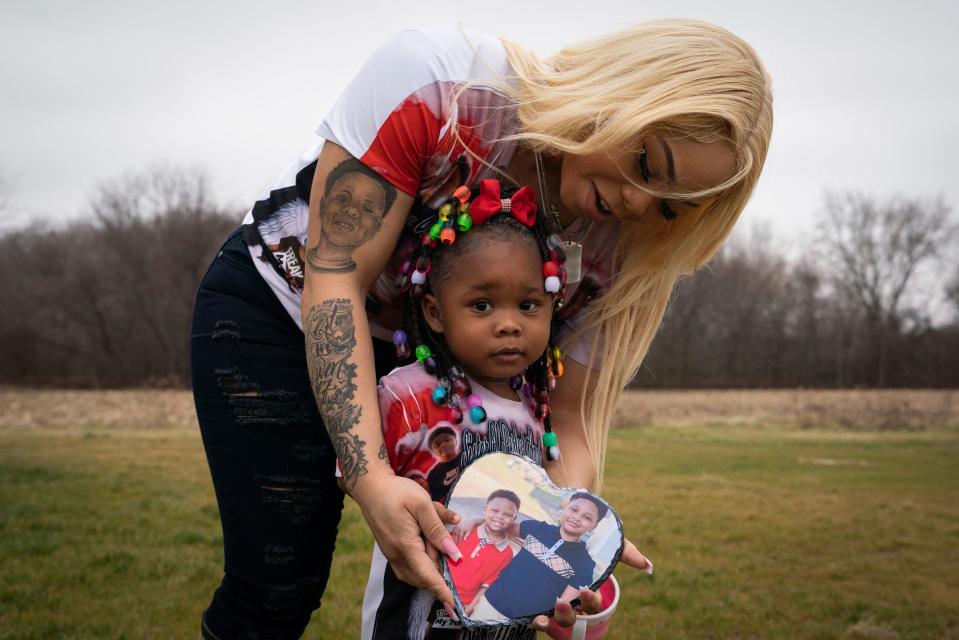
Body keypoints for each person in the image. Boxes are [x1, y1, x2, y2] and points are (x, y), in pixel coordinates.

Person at [190, 19, 773, 640]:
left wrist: (554, 543)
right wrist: (369, 476)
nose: (637, 203)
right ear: (619, 92)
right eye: (647, 162)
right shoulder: (442, 85)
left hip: (444, 381)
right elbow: (334, 278)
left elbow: (570, 420)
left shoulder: (628, 250)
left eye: (668, 205)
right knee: (279, 585)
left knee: (455, 598)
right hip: (283, 310)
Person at [363, 182, 568, 639]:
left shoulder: (538, 411)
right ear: (435, 312)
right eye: (482, 305)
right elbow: (354, 472)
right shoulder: (409, 394)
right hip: (415, 623)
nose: (509, 323)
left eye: (529, 304)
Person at [463, 493, 607, 623]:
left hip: (524, 622)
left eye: (587, 517)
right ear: (565, 508)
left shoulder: (585, 563)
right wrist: (475, 521)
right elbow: (499, 525)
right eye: (574, 509)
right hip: (490, 603)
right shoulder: (536, 528)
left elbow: (563, 605)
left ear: (593, 526)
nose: (577, 517)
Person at [451, 490, 523, 618]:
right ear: (485, 510)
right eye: (495, 511)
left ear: (514, 519)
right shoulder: (465, 530)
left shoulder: (507, 554)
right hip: (439, 588)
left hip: (462, 604)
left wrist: (469, 609)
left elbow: (486, 586)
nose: (500, 516)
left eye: (507, 514)